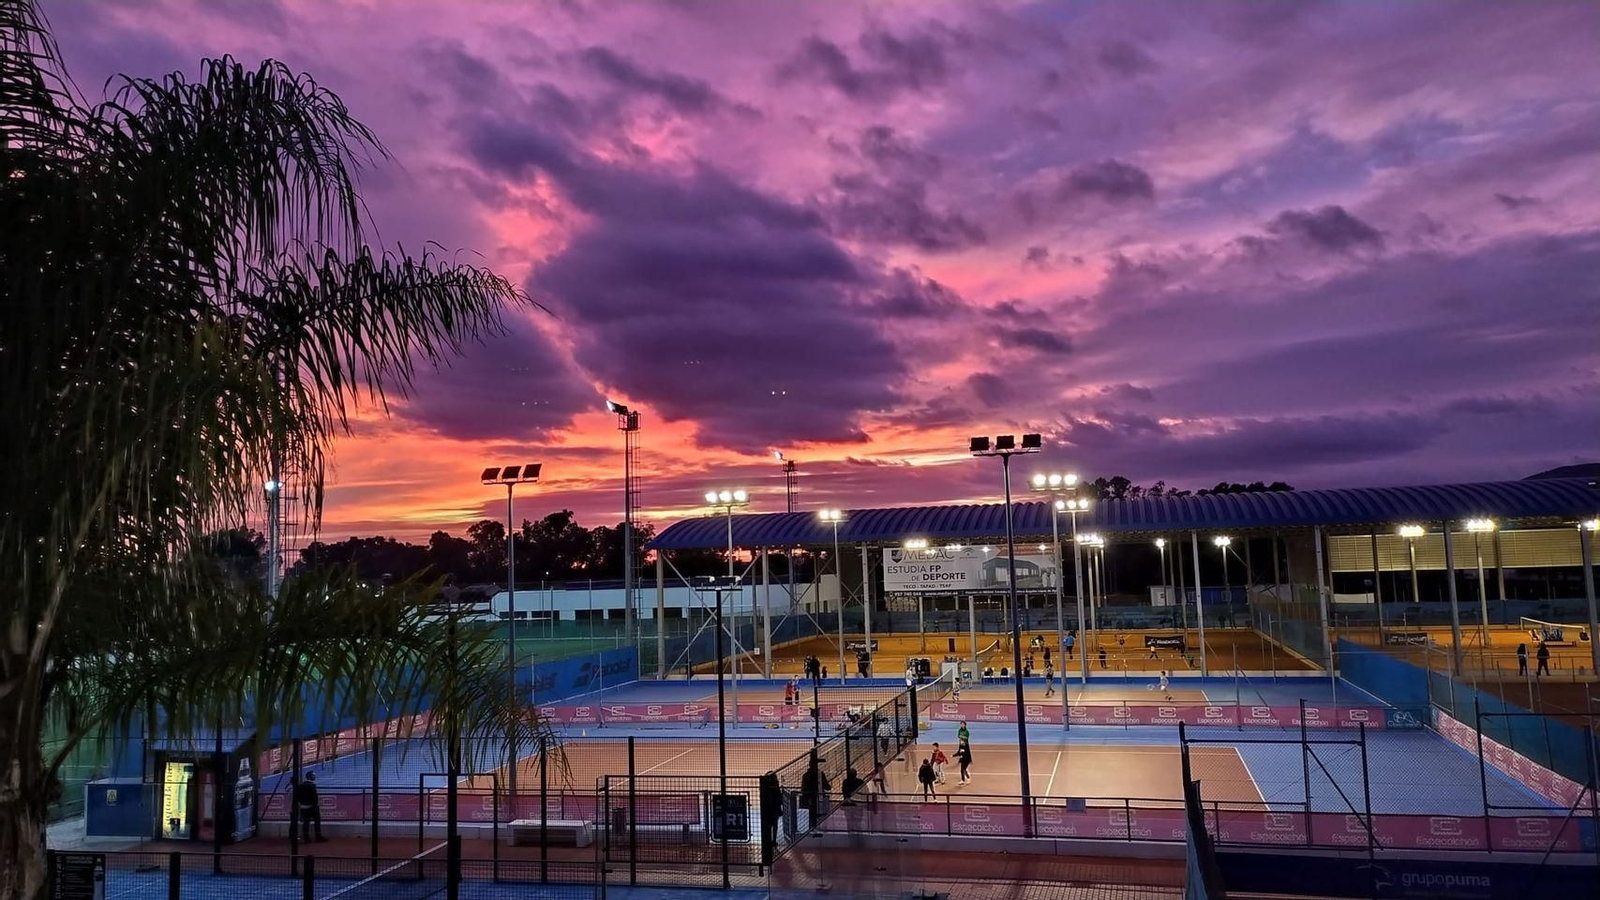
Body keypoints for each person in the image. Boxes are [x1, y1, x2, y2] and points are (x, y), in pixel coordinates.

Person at [294, 772, 326, 843]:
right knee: (317, 821)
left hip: (303, 806)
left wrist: (301, 804)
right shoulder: (312, 786)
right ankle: (318, 836)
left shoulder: (301, 785)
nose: (314, 777)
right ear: (310, 777)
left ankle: (306, 837)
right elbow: (314, 797)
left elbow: (297, 796)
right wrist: (315, 805)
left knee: (306, 822)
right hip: (312, 807)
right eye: (313, 776)